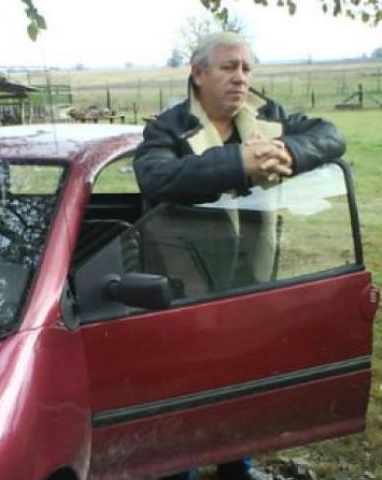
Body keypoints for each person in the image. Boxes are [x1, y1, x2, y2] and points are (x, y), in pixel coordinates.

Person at [133, 31, 345, 480]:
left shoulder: (269, 119)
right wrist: (239, 164)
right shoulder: (166, 128)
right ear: (198, 73)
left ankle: (238, 463)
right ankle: (181, 468)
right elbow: (156, 177)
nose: (241, 78)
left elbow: (331, 136)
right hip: (186, 280)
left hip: (250, 272)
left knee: (244, 372)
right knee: (187, 381)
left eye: (247, 68)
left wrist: (289, 150)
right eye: (229, 67)